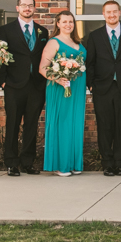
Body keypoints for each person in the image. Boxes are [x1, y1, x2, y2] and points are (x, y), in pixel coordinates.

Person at [85, 0, 121, 176]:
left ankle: (119, 163)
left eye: (114, 12)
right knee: (104, 126)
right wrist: (91, 85)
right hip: (102, 88)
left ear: (119, 13)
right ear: (103, 14)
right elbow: (90, 64)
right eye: (108, 12)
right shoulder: (95, 36)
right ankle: (107, 163)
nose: (111, 15)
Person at [0, 0, 48, 176]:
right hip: (13, 85)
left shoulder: (43, 32)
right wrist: (2, 81)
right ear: (17, 8)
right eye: (24, 5)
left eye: (30, 5)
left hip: (36, 85)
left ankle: (28, 162)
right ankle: (11, 163)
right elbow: (0, 57)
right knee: (13, 124)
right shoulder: (6, 30)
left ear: (34, 8)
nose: (27, 8)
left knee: (32, 125)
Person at [40, 11, 87, 177]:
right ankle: (60, 164)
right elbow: (43, 68)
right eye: (65, 22)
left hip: (77, 88)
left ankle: (73, 163)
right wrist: (58, 79)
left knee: (75, 123)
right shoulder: (53, 42)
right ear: (58, 24)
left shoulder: (77, 42)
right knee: (62, 123)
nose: (68, 24)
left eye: (71, 22)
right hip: (61, 88)